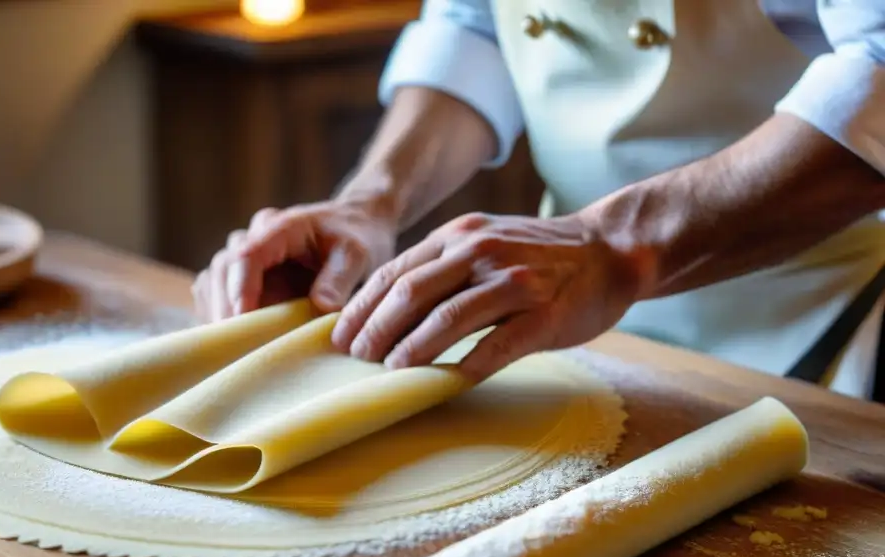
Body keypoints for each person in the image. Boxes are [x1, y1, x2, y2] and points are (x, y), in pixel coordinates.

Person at [193, 1, 885, 400]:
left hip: (815, 317)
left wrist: (615, 246)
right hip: (569, 319)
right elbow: (478, 23)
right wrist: (370, 202)